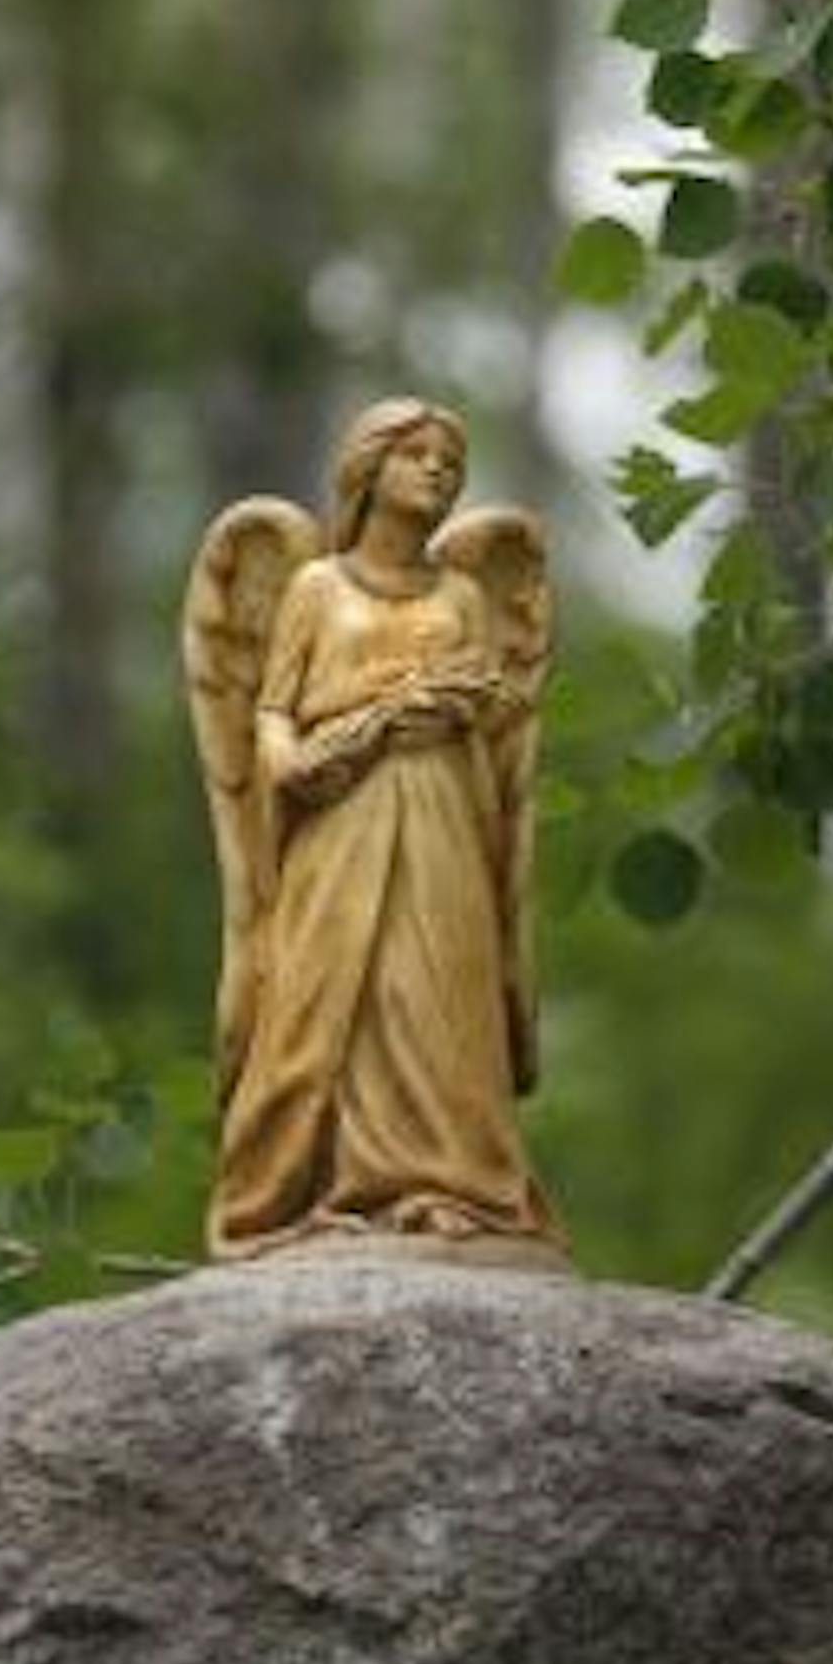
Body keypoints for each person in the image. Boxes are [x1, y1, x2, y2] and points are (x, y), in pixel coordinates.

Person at [195, 399, 566, 1262]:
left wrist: (466, 701)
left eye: (451, 460)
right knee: (328, 995)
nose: (438, 471)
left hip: (444, 814)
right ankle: (315, 1182)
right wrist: (352, 732)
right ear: (369, 469)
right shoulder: (315, 589)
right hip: (343, 816)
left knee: (439, 995)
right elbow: (273, 721)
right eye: (418, 455)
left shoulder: (466, 594)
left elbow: (499, 709)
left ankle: (447, 1186)